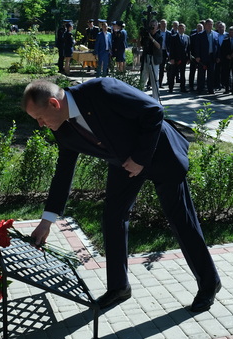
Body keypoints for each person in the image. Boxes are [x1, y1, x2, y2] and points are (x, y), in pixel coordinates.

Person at [22, 79, 221, 312]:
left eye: (40, 118)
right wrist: (47, 222)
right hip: (124, 164)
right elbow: (64, 172)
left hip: (159, 153)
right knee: (113, 217)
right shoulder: (63, 129)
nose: (40, 125)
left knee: (181, 220)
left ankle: (209, 284)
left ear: (54, 104)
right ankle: (119, 288)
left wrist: (140, 159)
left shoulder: (101, 90)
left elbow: (153, 112)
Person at [192, 18, 219, 94]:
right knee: (201, 74)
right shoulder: (200, 35)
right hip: (202, 57)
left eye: (211, 24)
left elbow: (217, 46)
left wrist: (217, 57)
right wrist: (197, 56)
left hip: (212, 57)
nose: (210, 26)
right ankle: (200, 89)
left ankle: (210, 89)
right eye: (208, 24)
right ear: (205, 25)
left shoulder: (216, 34)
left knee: (211, 74)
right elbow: (197, 46)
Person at [140, 19, 162, 101]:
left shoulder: (159, 36)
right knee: (143, 77)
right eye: (151, 25)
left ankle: (155, 98)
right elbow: (140, 45)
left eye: (154, 25)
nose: (152, 27)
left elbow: (159, 46)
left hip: (154, 59)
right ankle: (139, 94)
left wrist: (151, 38)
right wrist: (141, 36)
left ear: (157, 26)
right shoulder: (146, 35)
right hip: (146, 57)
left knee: (154, 79)